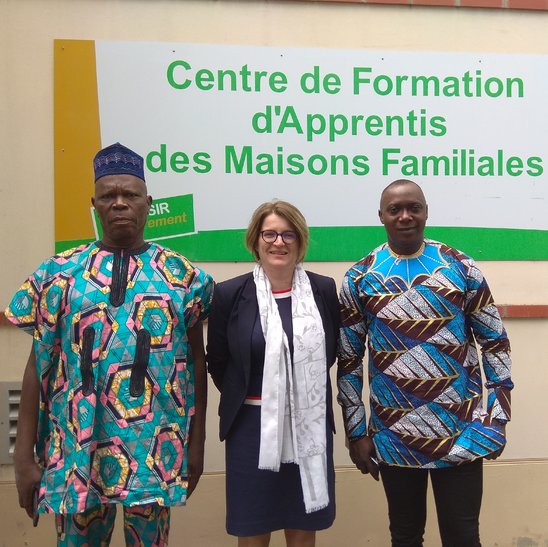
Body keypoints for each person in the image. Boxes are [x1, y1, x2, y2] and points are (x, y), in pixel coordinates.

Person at [5, 143, 214, 546]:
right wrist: (23, 457)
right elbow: (37, 364)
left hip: (157, 448)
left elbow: (196, 367)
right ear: (94, 203)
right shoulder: (57, 273)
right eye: (109, 196)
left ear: (148, 203)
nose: (120, 203)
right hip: (73, 449)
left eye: (130, 195)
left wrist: (196, 446)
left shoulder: (183, 277)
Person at [337, 179, 513, 547]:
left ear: (426, 211)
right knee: (404, 536)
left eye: (413, 207)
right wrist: (356, 433)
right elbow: (349, 362)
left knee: (463, 536)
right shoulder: (360, 277)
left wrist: (496, 419)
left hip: (462, 432)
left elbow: (495, 344)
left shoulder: (461, 267)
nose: (405, 216)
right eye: (395, 209)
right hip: (393, 435)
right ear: (381, 216)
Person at [207, 200, 338, 547]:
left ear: (300, 241)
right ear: (256, 240)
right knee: (252, 527)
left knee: (301, 524)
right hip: (251, 429)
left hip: (307, 426)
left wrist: (294, 394)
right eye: (270, 234)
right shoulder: (229, 294)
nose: (278, 242)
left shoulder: (323, 290)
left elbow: (330, 353)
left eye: (288, 234)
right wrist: (264, 394)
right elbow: (218, 361)